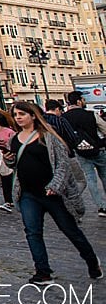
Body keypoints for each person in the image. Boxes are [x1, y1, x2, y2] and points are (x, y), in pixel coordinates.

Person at [7, 101, 101, 284]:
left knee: (70, 230)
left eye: (22, 114)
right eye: (16, 114)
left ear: (33, 115)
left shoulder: (48, 137)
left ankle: (91, 261)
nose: (18, 118)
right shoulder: (14, 139)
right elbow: (15, 166)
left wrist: (55, 186)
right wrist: (8, 159)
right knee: (32, 232)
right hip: (28, 193)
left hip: (53, 193)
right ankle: (43, 271)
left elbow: (63, 165)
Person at [63, 90, 106, 217]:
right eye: (83, 99)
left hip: (80, 152)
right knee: (104, 177)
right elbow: (104, 129)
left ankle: (101, 207)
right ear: (78, 101)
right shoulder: (90, 114)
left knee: (90, 178)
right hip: (98, 150)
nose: (84, 102)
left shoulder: (64, 118)